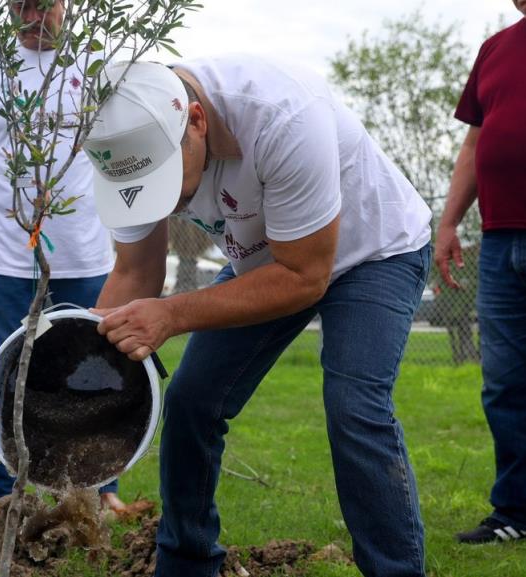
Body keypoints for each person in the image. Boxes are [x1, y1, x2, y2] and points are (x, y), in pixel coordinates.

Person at [86, 58, 432, 577]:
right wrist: (88, 368)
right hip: (269, 258)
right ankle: (186, 565)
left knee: (354, 407)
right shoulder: (128, 142)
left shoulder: (283, 116)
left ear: (196, 121)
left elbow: (303, 277)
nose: (171, 201)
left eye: (166, 178)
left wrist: (172, 315)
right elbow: (135, 272)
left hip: (373, 253)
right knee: (190, 402)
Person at [0, 0, 135, 521]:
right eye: (23, 4)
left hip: (86, 252)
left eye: (45, 4)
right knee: (9, 371)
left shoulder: (91, 66)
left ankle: (100, 486)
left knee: (97, 369)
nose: (34, 15)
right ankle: (5, 490)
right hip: (12, 255)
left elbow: (125, 150)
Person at [437, 0, 526, 545]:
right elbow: (474, 142)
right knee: (506, 387)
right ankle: (516, 516)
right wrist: (449, 222)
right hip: (501, 241)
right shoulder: (495, 49)